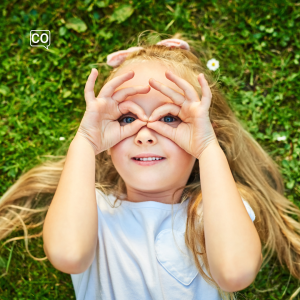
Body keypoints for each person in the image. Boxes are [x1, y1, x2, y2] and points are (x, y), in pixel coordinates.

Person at [1, 31, 300, 300]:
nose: (144, 135)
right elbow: (68, 255)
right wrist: (84, 142)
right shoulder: (92, 211)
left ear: (207, 132)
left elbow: (236, 274)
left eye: (169, 118)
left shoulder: (214, 210)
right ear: (106, 145)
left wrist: (208, 149)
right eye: (127, 119)